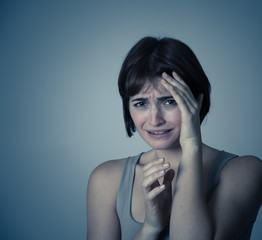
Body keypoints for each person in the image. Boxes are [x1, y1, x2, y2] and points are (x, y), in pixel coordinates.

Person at [86, 36, 262, 240]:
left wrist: (191, 145)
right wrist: (150, 228)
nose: (155, 119)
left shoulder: (245, 171)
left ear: (196, 100)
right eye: (141, 103)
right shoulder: (106, 180)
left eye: (169, 101)